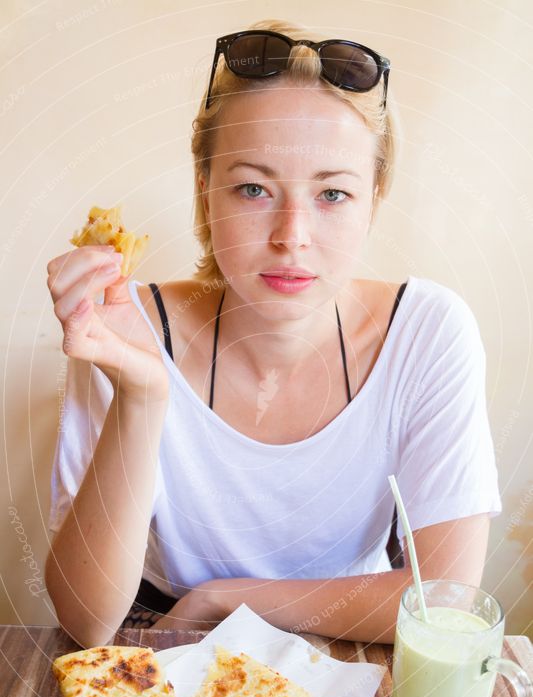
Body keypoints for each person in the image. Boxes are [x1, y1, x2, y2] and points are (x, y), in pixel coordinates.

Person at [45, 19, 501, 648]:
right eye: (253, 188)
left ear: (375, 196)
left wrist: (230, 598)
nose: (293, 235)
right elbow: (86, 621)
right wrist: (141, 393)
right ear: (206, 193)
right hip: (162, 635)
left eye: (333, 194)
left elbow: (446, 602)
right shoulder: (125, 324)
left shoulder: (429, 333)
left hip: (351, 642)